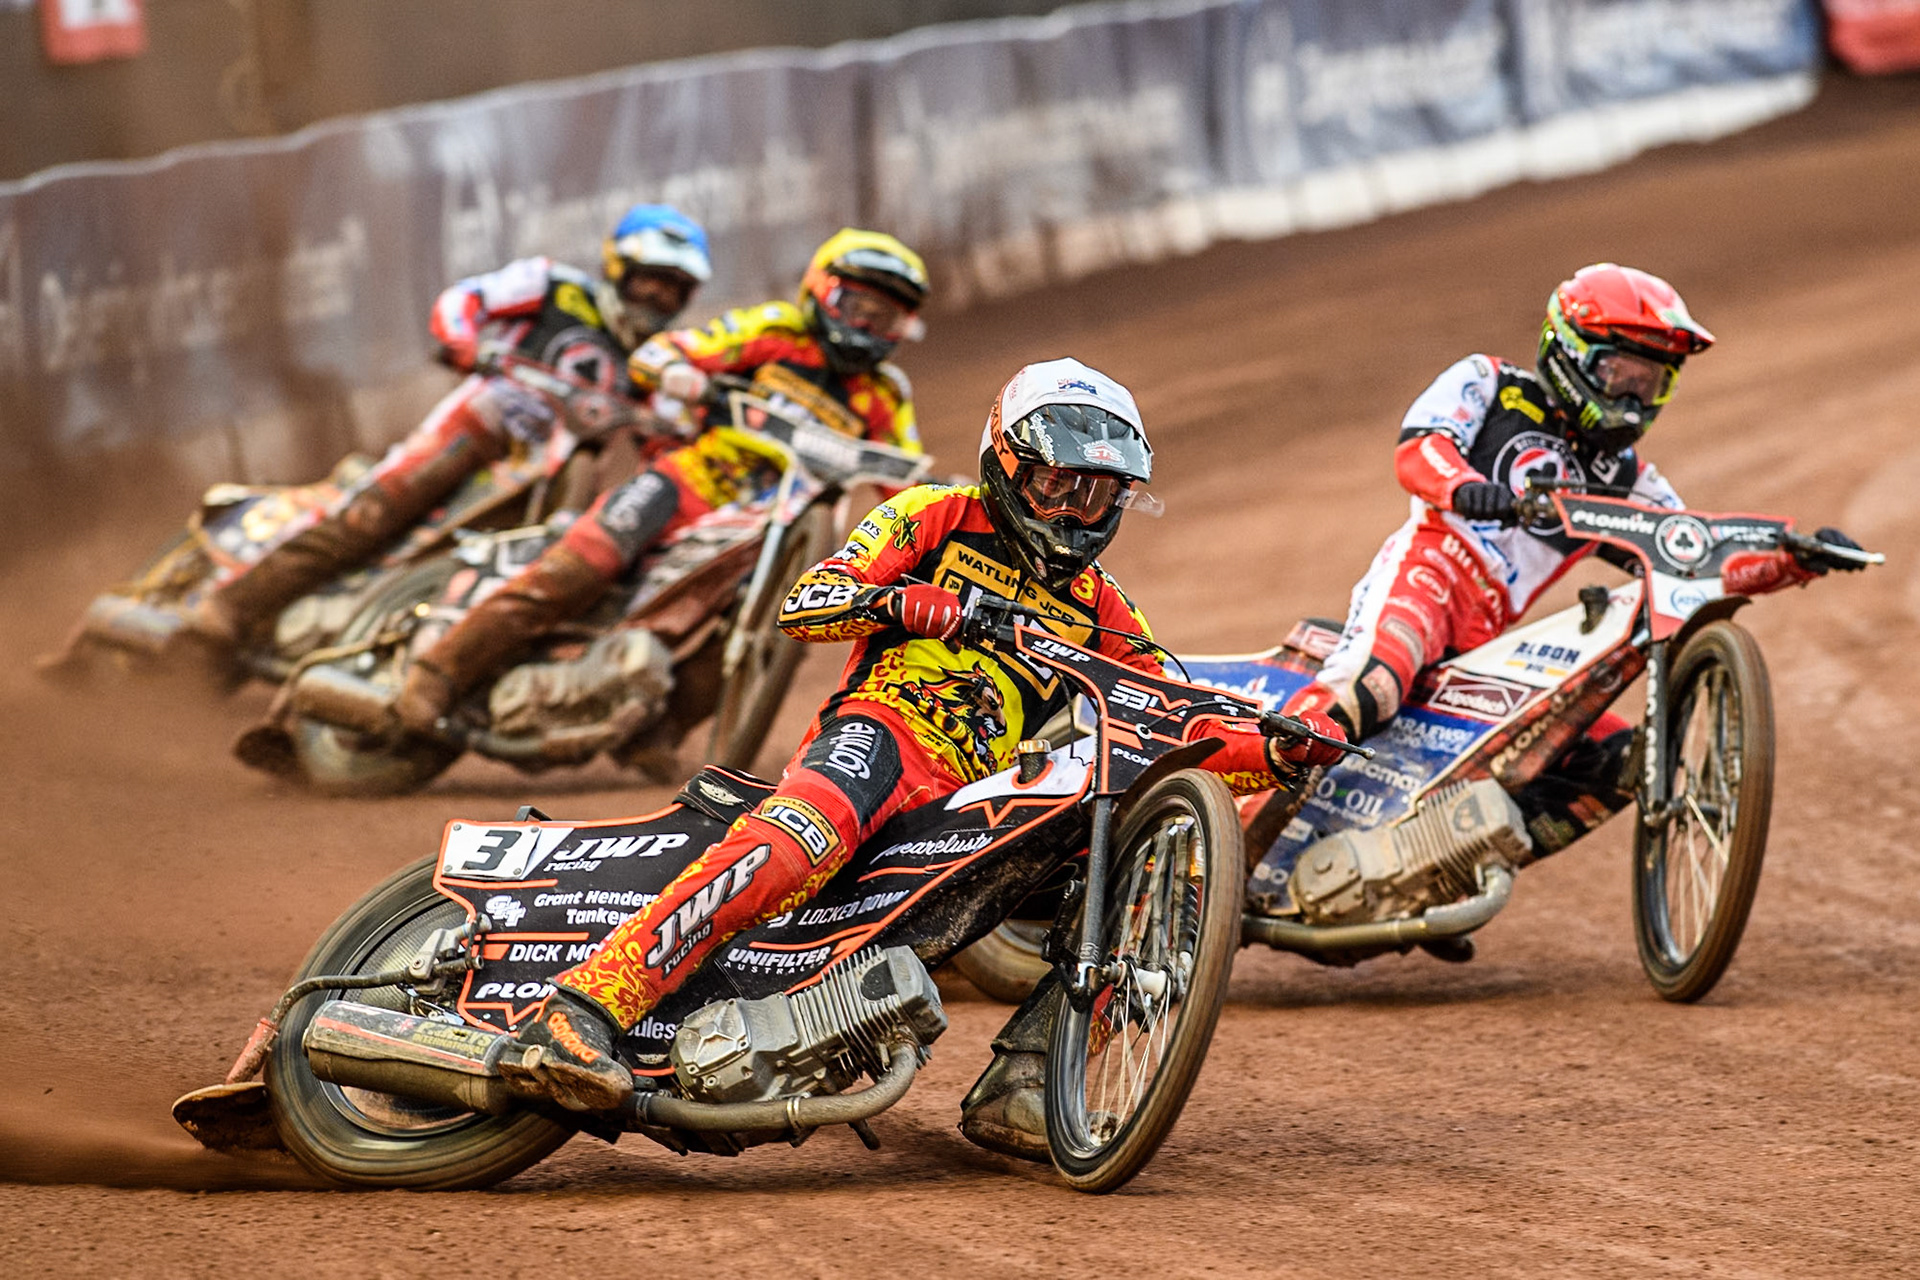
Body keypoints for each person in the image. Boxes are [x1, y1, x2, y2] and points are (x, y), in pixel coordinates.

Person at [486, 359, 1348, 1153]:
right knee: (803, 839)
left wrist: (1273, 747)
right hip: (881, 736)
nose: (1071, 514)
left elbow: (1172, 711)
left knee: (1132, 874)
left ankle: (1026, 1080)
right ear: (1006, 463)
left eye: (1097, 496)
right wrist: (924, 606)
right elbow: (810, 601)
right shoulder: (934, 514)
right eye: (1056, 485)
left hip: (970, 804)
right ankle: (581, 1008)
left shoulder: (1102, 605)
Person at [1276, 263, 1864, 857]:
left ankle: (1443, 873)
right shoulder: (1489, 382)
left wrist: (1794, 556)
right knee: (1374, 681)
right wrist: (1462, 488)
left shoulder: (1626, 480)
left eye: (1651, 383)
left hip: (1491, 640)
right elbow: (1420, 446)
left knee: (1621, 762)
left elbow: (1690, 552)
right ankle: (1235, 821)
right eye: (1619, 375)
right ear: (1569, 353)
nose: (1635, 400)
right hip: (1428, 574)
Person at [392, 227, 931, 737]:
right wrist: (680, 371)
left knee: (780, 624)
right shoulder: (774, 332)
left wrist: (935, 512)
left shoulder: (885, 395)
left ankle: (658, 732)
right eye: (855, 307)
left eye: (883, 318)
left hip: (773, 526)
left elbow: (903, 486)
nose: (864, 325)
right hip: (690, 483)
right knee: (585, 563)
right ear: (819, 291)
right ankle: (438, 673)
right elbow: (661, 352)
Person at [187, 204, 713, 654]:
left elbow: (664, 440)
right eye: (652, 278)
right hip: (491, 416)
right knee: (375, 514)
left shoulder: (653, 364)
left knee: (552, 554)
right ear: (619, 265)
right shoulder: (554, 285)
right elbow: (465, 300)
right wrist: (466, 342)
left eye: (676, 289)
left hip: (558, 470)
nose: (660, 298)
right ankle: (236, 602)